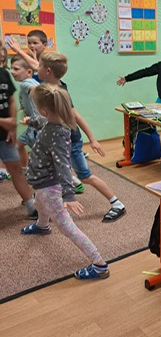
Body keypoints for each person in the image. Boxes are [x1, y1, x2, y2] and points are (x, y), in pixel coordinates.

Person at [21, 83, 110, 280]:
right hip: (43, 184)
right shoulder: (51, 122)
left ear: (45, 110)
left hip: (50, 186)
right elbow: (42, 122)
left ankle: (99, 265)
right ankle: (42, 226)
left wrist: (68, 196)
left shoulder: (59, 133)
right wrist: (31, 121)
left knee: (66, 227)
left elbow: (63, 165)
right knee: (39, 204)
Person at [36, 52, 126, 222]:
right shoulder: (51, 85)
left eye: (39, 65)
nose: (36, 68)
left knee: (86, 176)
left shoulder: (60, 92)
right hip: (59, 140)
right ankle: (49, 206)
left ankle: (117, 204)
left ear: (48, 71)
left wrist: (93, 139)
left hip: (70, 140)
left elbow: (76, 116)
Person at [0, 42, 37, 216]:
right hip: (4, 125)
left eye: (2, 50)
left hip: (6, 133)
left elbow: (11, 101)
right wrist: (3, 121)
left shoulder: (4, 74)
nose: (2, 54)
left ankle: (32, 207)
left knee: (15, 169)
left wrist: (12, 125)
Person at [9, 54, 40, 168]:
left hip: (36, 127)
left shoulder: (25, 84)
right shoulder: (32, 81)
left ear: (29, 72)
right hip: (33, 125)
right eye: (11, 68)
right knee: (18, 145)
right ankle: (25, 168)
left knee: (41, 154)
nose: (12, 72)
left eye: (16, 69)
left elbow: (37, 90)